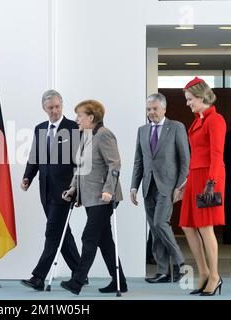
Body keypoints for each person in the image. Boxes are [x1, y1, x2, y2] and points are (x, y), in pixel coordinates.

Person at [60, 99, 127, 295]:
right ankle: (119, 282)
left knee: (89, 237)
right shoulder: (87, 135)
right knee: (105, 241)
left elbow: (115, 165)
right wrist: (73, 188)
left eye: (79, 115)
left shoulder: (105, 135)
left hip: (102, 197)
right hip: (89, 197)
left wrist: (108, 190)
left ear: (91, 117)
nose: (76, 119)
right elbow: (80, 167)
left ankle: (77, 281)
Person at [20, 89, 82, 291]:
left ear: (62, 105)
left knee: (53, 233)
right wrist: (28, 177)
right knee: (63, 232)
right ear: (44, 109)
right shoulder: (40, 128)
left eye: (57, 106)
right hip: (44, 190)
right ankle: (80, 272)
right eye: (50, 108)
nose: (55, 111)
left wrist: (76, 188)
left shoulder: (74, 128)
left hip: (65, 191)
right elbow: (34, 156)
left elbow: (80, 162)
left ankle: (38, 277)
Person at [130, 93, 190, 283]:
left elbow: (184, 159)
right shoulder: (142, 130)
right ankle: (163, 271)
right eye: (149, 109)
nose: (151, 113)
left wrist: (180, 186)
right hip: (148, 186)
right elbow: (138, 162)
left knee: (159, 223)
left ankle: (181, 263)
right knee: (155, 230)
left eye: (155, 109)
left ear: (164, 109)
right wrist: (133, 187)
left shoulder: (176, 127)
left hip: (168, 186)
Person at [177, 77, 226, 296]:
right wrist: (186, 181)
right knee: (187, 225)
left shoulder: (216, 120)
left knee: (206, 227)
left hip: (209, 177)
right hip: (194, 176)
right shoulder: (198, 120)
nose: (187, 103)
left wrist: (211, 183)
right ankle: (203, 272)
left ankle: (215, 276)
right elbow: (196, 154)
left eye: (189, 99)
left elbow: (217, 155)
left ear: (201, 97)